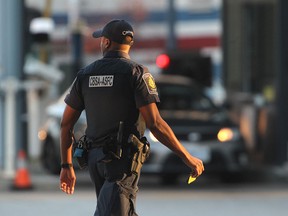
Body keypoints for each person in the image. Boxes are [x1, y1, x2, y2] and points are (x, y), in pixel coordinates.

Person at [59, 19, 204, 216]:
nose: (101, 42)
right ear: (130, 44)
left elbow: (66, 123)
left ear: (107, 43)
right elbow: (155, 123)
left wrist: (66, 165)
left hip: (95, 161)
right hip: (122, 164)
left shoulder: (85, 75)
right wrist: (187, 158)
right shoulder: (136, 73)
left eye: (102, 38)